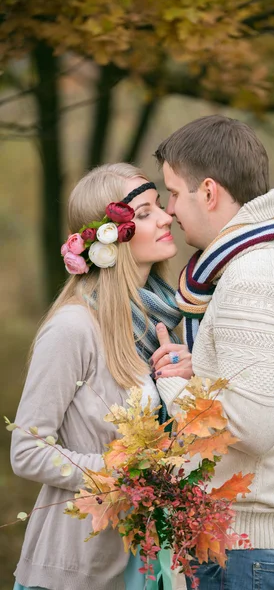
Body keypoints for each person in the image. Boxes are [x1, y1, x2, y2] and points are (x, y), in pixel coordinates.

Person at [151, 115, 274, 590]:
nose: (168, 212)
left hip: (247, 552)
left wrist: (173, 383)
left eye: (172, 193)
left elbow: (251, 426)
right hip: (246, 549)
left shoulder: (254, 281)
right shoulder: (256, 265)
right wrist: (203, 372)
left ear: (208, 192)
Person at [10, 163, 188, 590]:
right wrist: (117, 470)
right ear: (109, 238)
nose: (167, 218)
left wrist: (191, 375)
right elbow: (27, 450)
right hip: (80, 564)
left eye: (160, 207)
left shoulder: (163, 320)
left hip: (151, 559)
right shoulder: (74, 328)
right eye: (144, 213)